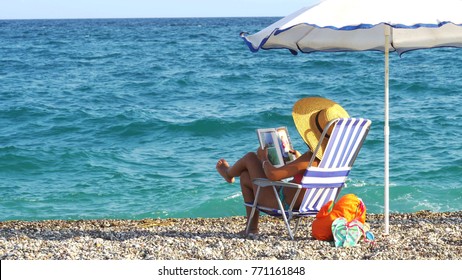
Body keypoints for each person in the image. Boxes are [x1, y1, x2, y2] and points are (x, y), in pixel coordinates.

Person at [216, 97, 350, 235]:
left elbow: (272, 175)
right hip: (312, 204)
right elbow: (308, 172)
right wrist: (298, 160)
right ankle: (251, 228)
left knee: (251, 157)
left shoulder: (311, 157)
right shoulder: (336, 158)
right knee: (245, 177)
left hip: (282, 204)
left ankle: (228, 173)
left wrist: (263, 159)